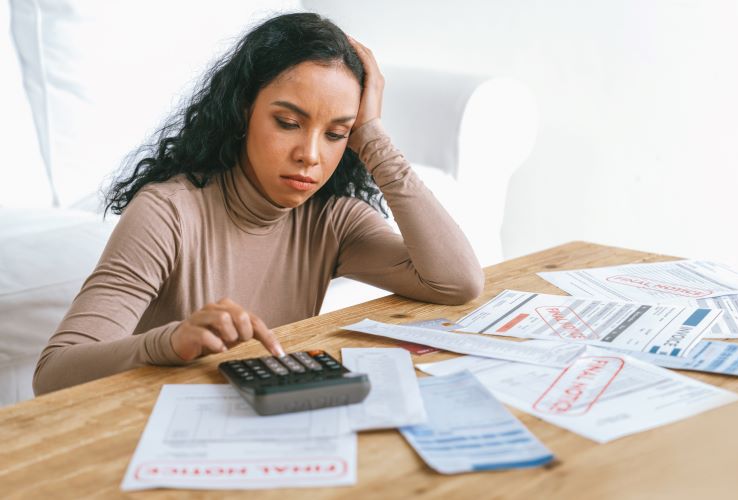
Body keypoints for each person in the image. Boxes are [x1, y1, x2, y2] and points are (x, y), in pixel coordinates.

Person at [33, 12, 483, 395]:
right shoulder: (167, 211)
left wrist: (372, 138)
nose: (310, 154)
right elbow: (53, 373)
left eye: (336, 133)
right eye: (288, 122)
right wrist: (167, 342)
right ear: (242, 110)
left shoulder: (332, 218)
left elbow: (457, 282)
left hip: (268, 420)